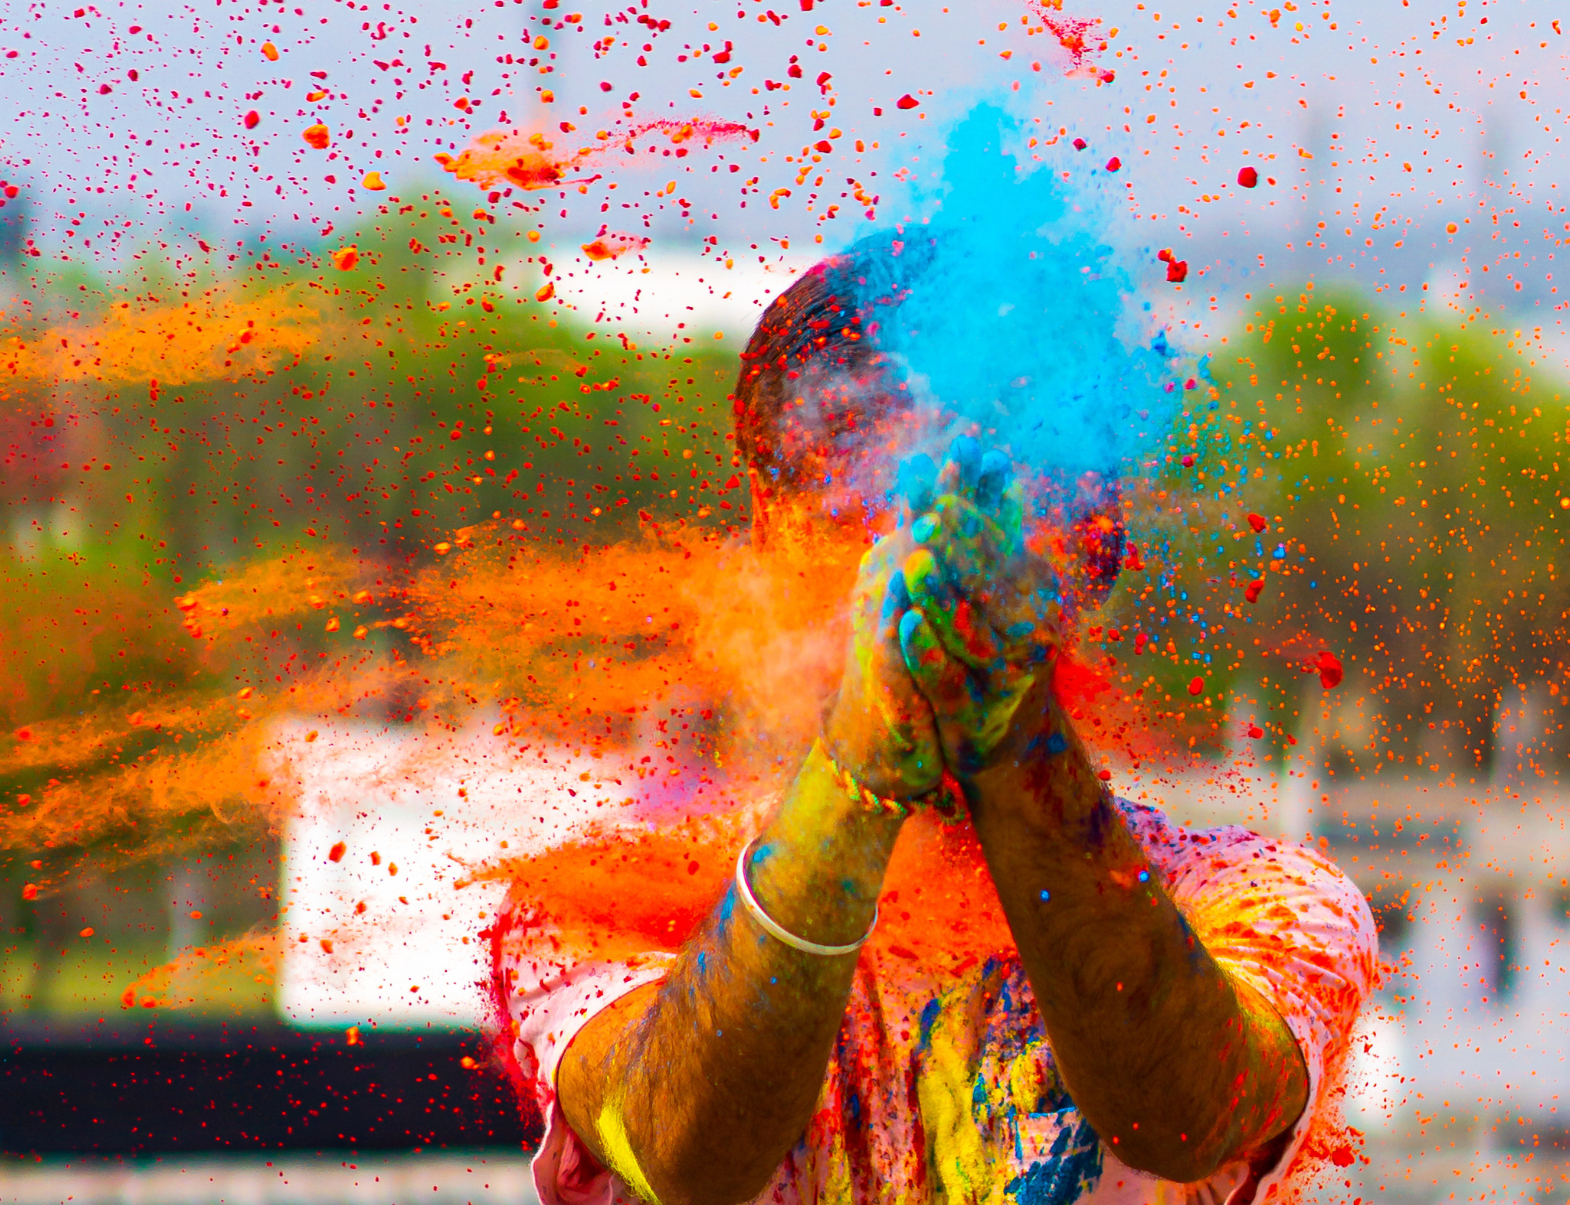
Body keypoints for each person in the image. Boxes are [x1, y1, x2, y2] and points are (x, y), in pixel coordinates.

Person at [491, 234, 1380, 1205]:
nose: (900, 568)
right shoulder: (608, 908)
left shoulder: (1255, 902)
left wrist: (1003, 715)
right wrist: (861, 765)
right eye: (848, 508)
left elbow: (1184, 1113)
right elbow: (682, 1148)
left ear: (1091, 549)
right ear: (764, 536)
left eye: (980, 511)